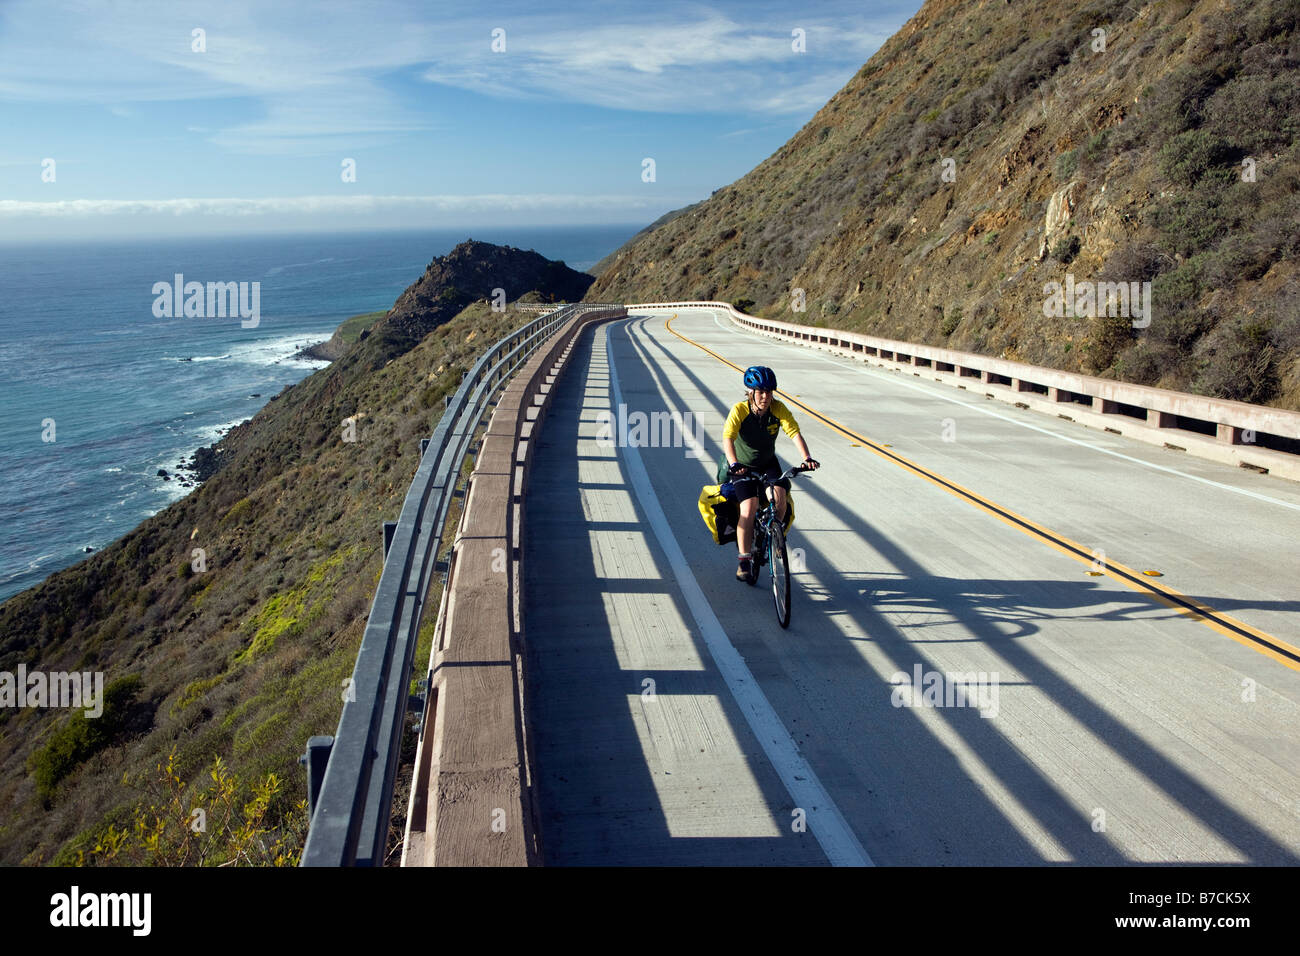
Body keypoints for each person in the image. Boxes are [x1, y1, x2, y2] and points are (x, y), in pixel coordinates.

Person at [722, 365, 819, 581]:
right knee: (749, 506)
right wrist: (733, 463)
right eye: (760, 392)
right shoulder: (740, 410)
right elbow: (728, 437)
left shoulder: (778, 409)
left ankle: (775, 538)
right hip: (743, 466)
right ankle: (744, 560)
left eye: (769, 392)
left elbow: (794, 432)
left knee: (779, 498)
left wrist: (807, 458)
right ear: (750, 392)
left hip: (768, 463)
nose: (766, 397)